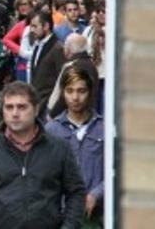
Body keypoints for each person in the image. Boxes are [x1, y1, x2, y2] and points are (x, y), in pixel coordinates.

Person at [0, 81, 85, 229]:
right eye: (9, 107)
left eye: (22, 107)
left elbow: (76, 192)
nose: (14, 113)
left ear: (36, 109)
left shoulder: (59, 148)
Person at [45, 65, 105, 228]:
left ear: (90, 92)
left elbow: (115, 170)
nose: (75, 97)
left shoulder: (104, 128)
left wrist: (95, 194)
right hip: (60, 213)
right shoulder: (51, 130)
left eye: (81, 91)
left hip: (95, 214)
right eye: (70, 91)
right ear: (63, 93)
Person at [29, 11, 67, 112]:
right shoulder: (38, 45)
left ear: (46, 26)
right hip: (37, 101)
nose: (31, 30)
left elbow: (63, 77)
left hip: (49, 104)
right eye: (30, 26)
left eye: (34, 26)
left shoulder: (57, 48)